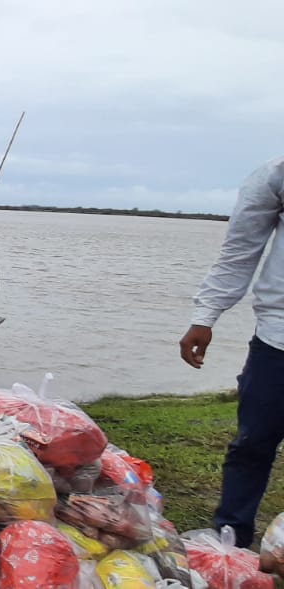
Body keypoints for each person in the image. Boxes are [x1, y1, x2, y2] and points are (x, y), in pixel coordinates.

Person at [180, 156, 284, 548]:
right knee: (253, 441)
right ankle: (232, 536)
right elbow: (239, 253)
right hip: (279, 339)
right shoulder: (276, 176)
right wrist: (205, 317)